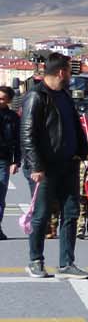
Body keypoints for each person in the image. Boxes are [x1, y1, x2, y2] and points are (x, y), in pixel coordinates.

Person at [20, 53, 88, 279]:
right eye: (70, 71)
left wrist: (82, 151)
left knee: (70, 213)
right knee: (41, 214)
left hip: (68, 164)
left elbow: (75, 126)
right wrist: (36, 166)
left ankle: (67, 263)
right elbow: (27, 135)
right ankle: (35, 260)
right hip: (45, 168)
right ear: (61, 72)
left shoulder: (65, 95)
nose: (71, 75)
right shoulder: (36, 96)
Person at [0, 85, 19, 240]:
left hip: (3, 160)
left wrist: (16, 161)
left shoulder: (12, 117)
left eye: (2, 99)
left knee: (0, 196)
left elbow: (17, 141)